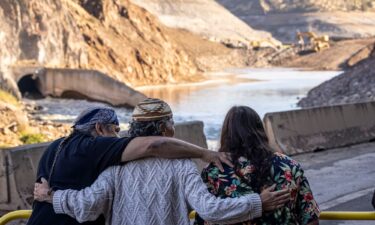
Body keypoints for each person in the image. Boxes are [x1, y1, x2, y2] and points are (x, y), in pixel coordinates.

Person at [34, 99, 290, 225]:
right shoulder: (181, 166)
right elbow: (210, 210)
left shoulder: (114, 167)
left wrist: (51, 197)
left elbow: (87, 205)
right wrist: (258, 202)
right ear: (164, 129)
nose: (174, 129)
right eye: (171, 124)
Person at [195, 106, 320, 225]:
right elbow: (310, 218)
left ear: (226, 134)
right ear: (260, 130)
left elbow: (205, 217)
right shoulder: (289, 165)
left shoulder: (213, 172)